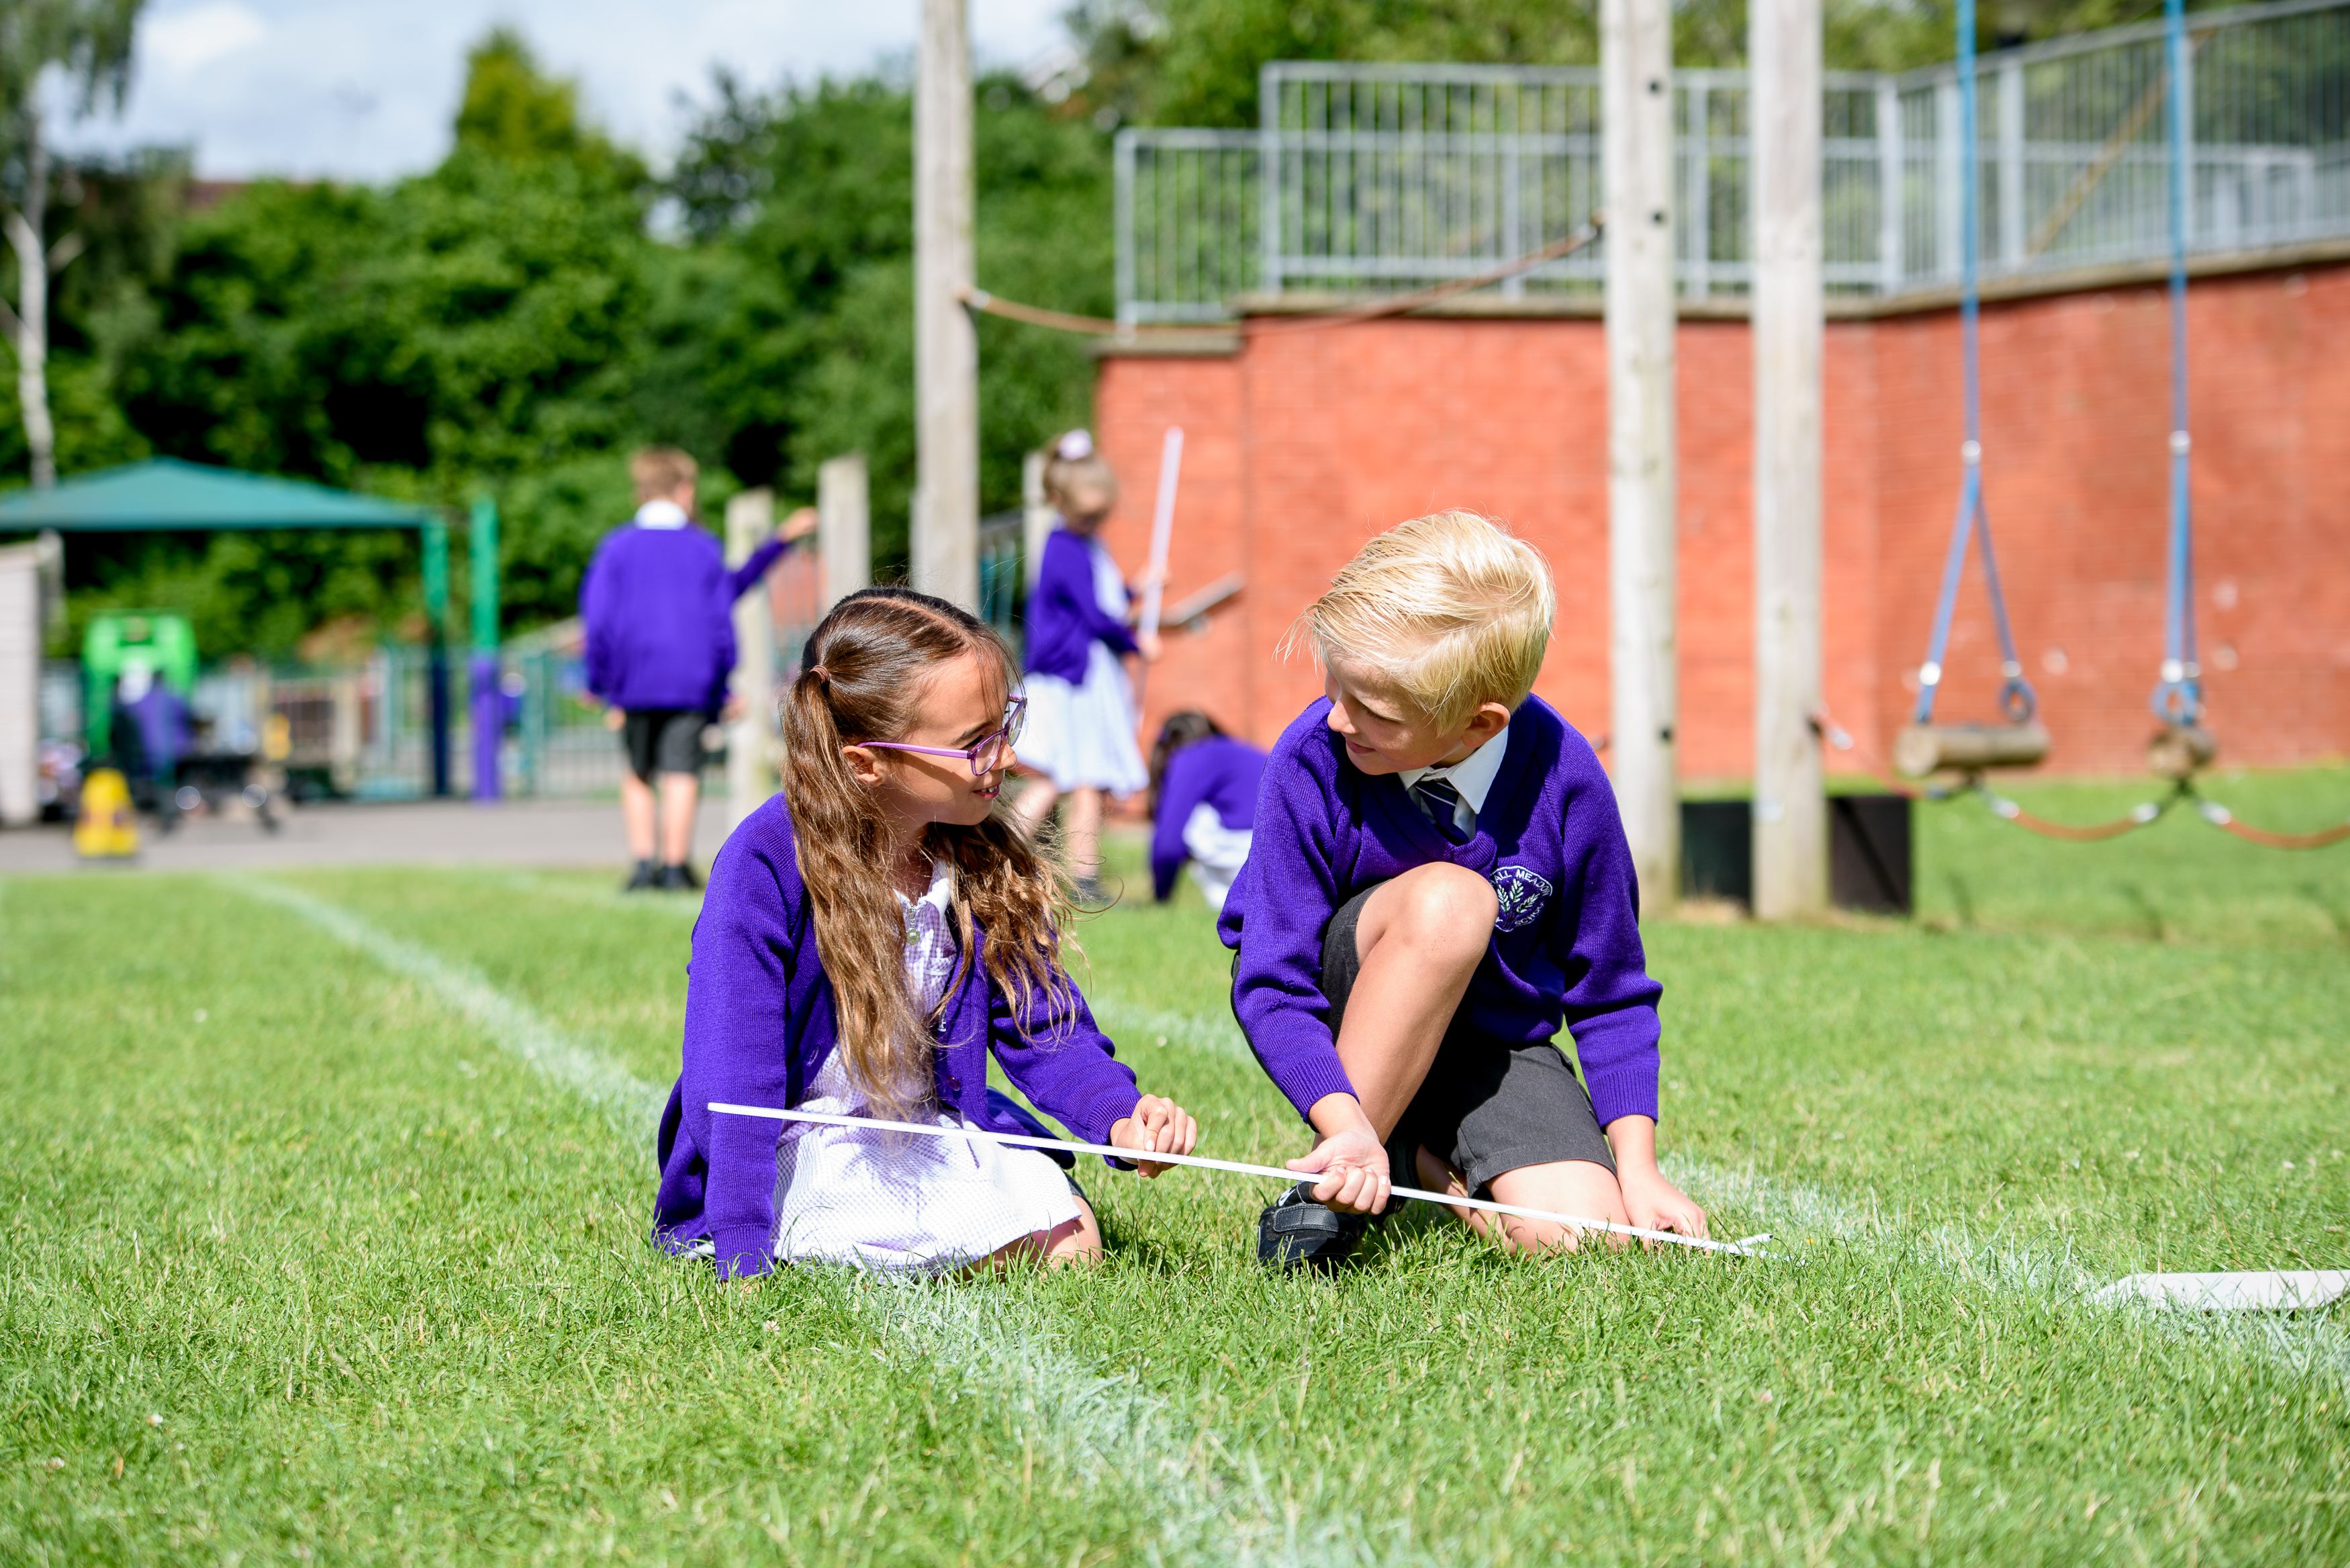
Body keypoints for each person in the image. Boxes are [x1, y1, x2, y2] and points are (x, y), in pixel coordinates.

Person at [652, 587, 1201, 1277]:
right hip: (799, 1138)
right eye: (974, 742)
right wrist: (739, 1243)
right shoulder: (765, 859)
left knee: (1074, 1248)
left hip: (922, 1129)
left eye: (1006, 724)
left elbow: (1044, 1028)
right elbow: (732, 1075)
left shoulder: (976, 852)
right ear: (865, 762)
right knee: (880, 1247)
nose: (1003, 757)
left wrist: (1122, 1116)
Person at [1221, 510, 1709, 1271]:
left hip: (1490, 1046)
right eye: (1334, 683)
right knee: (1453, 900)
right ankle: (1331, 1184)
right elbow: (1270, 981)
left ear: (1477, 727)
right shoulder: (1310, 756)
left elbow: (1609, 990)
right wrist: (1342, 1119)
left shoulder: (1566, 778)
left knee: (1583, 1237)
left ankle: (1416, 1152)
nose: (1336, 714)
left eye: (1374, 710)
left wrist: (1638, 1170)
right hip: (1349, 1009)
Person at [579, 446, 816, 891]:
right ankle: (675, 866)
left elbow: (599, 618)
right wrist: (724, 683)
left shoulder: (616, 547)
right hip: (690, 679)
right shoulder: (702, 547)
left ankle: (642, 867)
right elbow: (719, 615)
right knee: (682, 770)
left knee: (637, 770)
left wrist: (600, 681)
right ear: (685, 490)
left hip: (633, 679)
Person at [1010, 430, 1159, 899]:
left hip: (1078, 676)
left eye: (1101, 513)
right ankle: (1081, 876)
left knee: (1064, 778)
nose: (1094, 521)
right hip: (1073, 680)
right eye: (1086, 514)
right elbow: (1096, 616)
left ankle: (1015, 857)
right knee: (1083, 777)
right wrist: (1136, 644)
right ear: (1059, 500)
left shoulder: (1083, 544)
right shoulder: (1065, 548)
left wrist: (1137, 588)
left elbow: (1097, 601)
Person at [1147, 711, 1266, 910]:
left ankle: (1225, 899)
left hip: (1246, 849)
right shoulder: (1239, 749)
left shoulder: (1190, 756)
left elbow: (1167, 846)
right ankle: (1237, 902)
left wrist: (1161, 897)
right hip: (1283, 848)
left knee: (1195, 817)